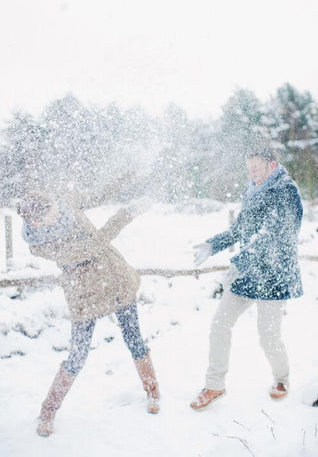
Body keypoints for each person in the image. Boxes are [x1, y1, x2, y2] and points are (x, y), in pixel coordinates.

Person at [17, 191, 160, 437]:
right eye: (50, 212)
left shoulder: (65, 203)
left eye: (54, 206)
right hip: (84, 293)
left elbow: (98, 193)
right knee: (77, 355)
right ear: (36, 222)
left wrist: (123, 183)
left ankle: (152, 389)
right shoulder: (41, 244)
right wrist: (128, 213)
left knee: (134, 338)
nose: (57, 212)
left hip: (115, 279)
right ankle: (48, 410)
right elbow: (95, 243)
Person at [190, 147, 303, 410]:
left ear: (271, 166)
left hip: (274, 276)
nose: (252, 174)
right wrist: (211, 245)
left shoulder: (286, 192)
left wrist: (239, 262)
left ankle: (282, 379)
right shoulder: (252, 192)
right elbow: (239, 230)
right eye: (248, 169)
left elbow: (275, 236)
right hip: (249, 275)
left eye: (256, 168)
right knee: (219, 324)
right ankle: (214, 384)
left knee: (268, 338)